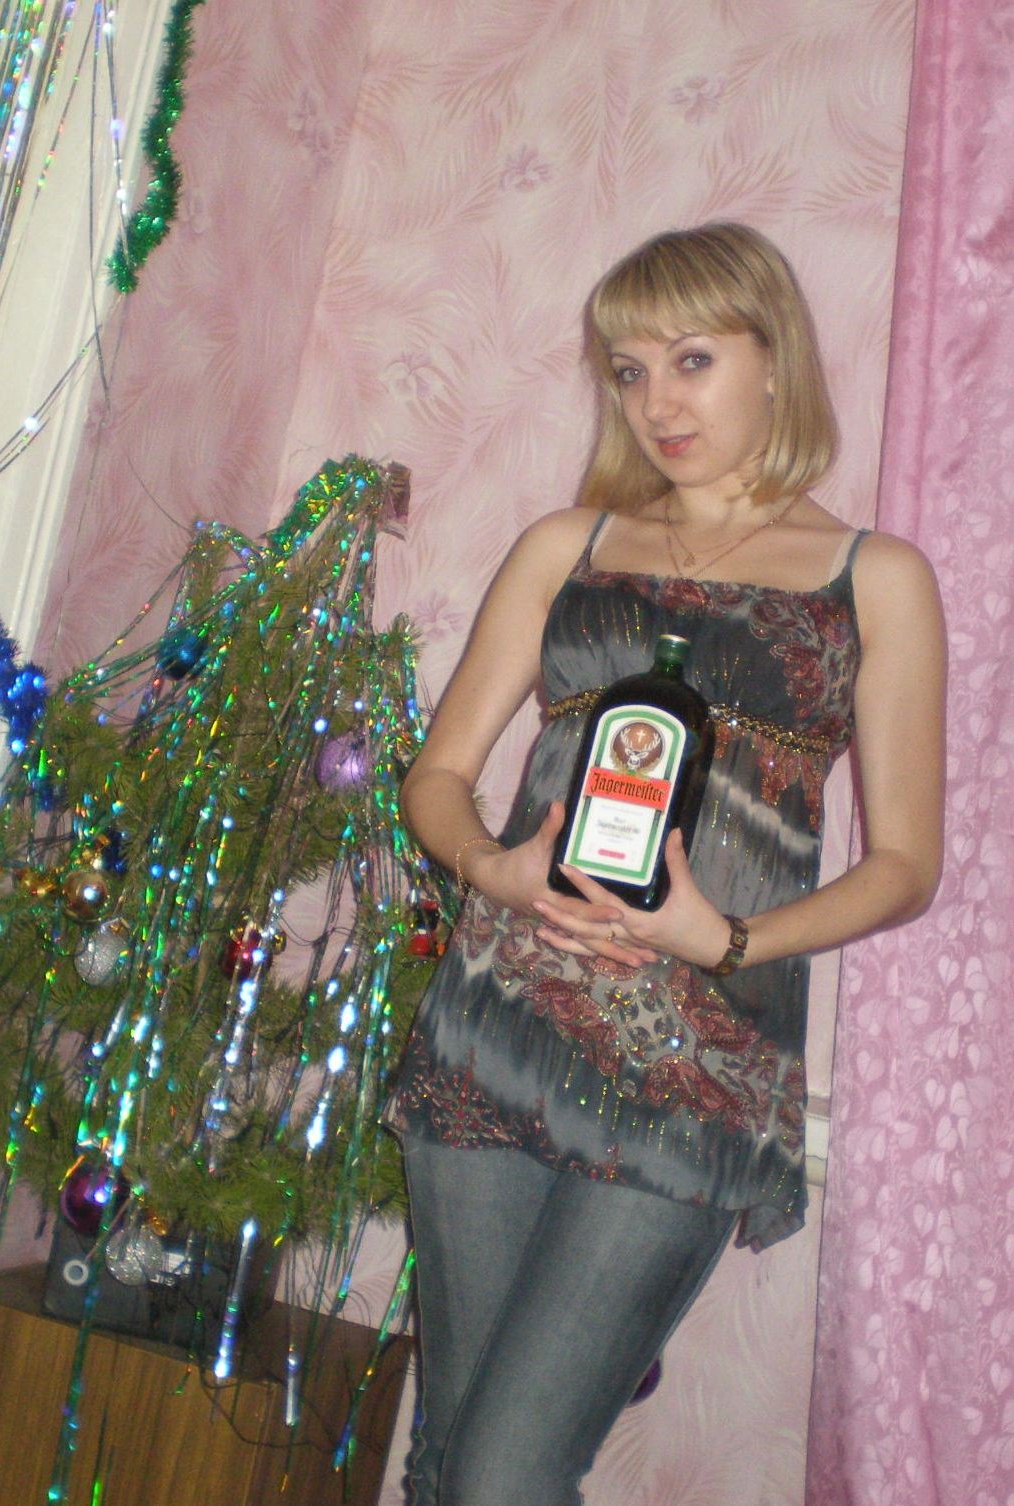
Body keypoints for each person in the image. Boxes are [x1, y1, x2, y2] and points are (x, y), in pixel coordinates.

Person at [385, 222, 946, 1506]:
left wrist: (730, 939)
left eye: (692, 360)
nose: (656, 403)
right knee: (447, 1460)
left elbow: (908, 863)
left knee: (504, 1476)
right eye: (629, 372)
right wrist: (492, 868)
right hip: (500, 1021)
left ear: (774, 357)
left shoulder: (873, 580)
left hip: (702, 1062)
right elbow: (436, 778)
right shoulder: (567, 547)